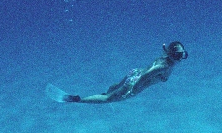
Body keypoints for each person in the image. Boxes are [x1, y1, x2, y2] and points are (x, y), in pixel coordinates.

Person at [46, 41, 188, 104]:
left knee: (111, 92)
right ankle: (77, 99)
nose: (180, 58)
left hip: (134, 73)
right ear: (172, 55)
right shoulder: (164, 67)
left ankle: (104, 93)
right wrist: (132, 90)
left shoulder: (164, 59)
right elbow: (147, 75)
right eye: (178, 55)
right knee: (109, 99)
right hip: (135, 81)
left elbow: (145, 72)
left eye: (182, 55)